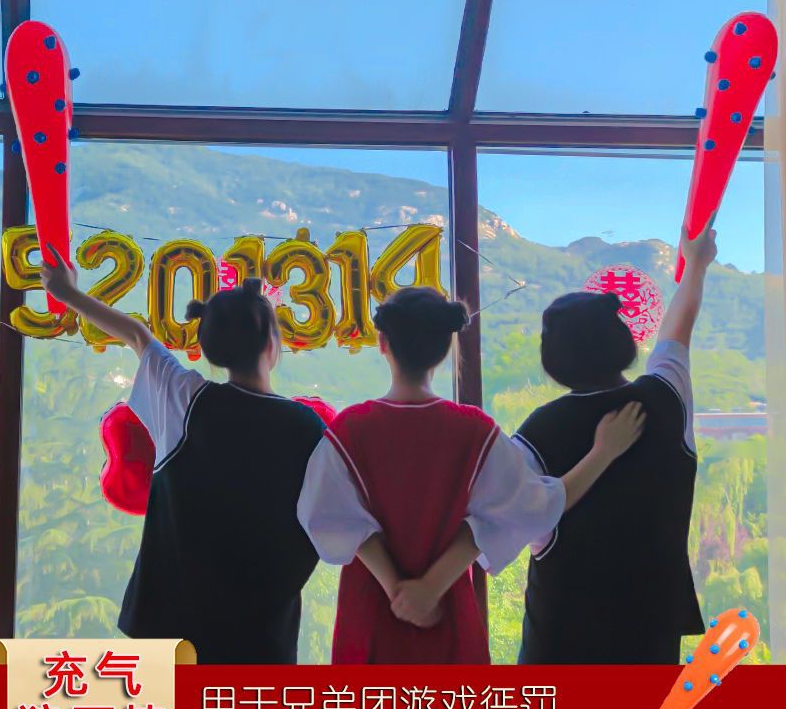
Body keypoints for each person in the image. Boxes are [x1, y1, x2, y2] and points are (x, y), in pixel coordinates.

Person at [297, 286, 645, 664]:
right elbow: (534, 506)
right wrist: (602, 453)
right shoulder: (476, 432)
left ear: (383, 343)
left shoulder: (349, 431)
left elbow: (329, 518)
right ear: (447, 348)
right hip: (448, 613)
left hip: (369, 615)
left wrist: (396, 588)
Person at [41, 246, 324, 664]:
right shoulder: (307, 427)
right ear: (271, 344)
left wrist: (67, 294)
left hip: (171, 635)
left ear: (209, 347)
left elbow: (138, 336)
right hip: (260, 641)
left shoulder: (186, 402)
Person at [512, 220, 718, 665]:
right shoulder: (666, 398)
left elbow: (513, 521)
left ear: (554, 360)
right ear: (623, 342)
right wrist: (696, 265)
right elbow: (676, 335)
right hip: (650, 634)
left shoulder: (535, 434)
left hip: (559, 643)